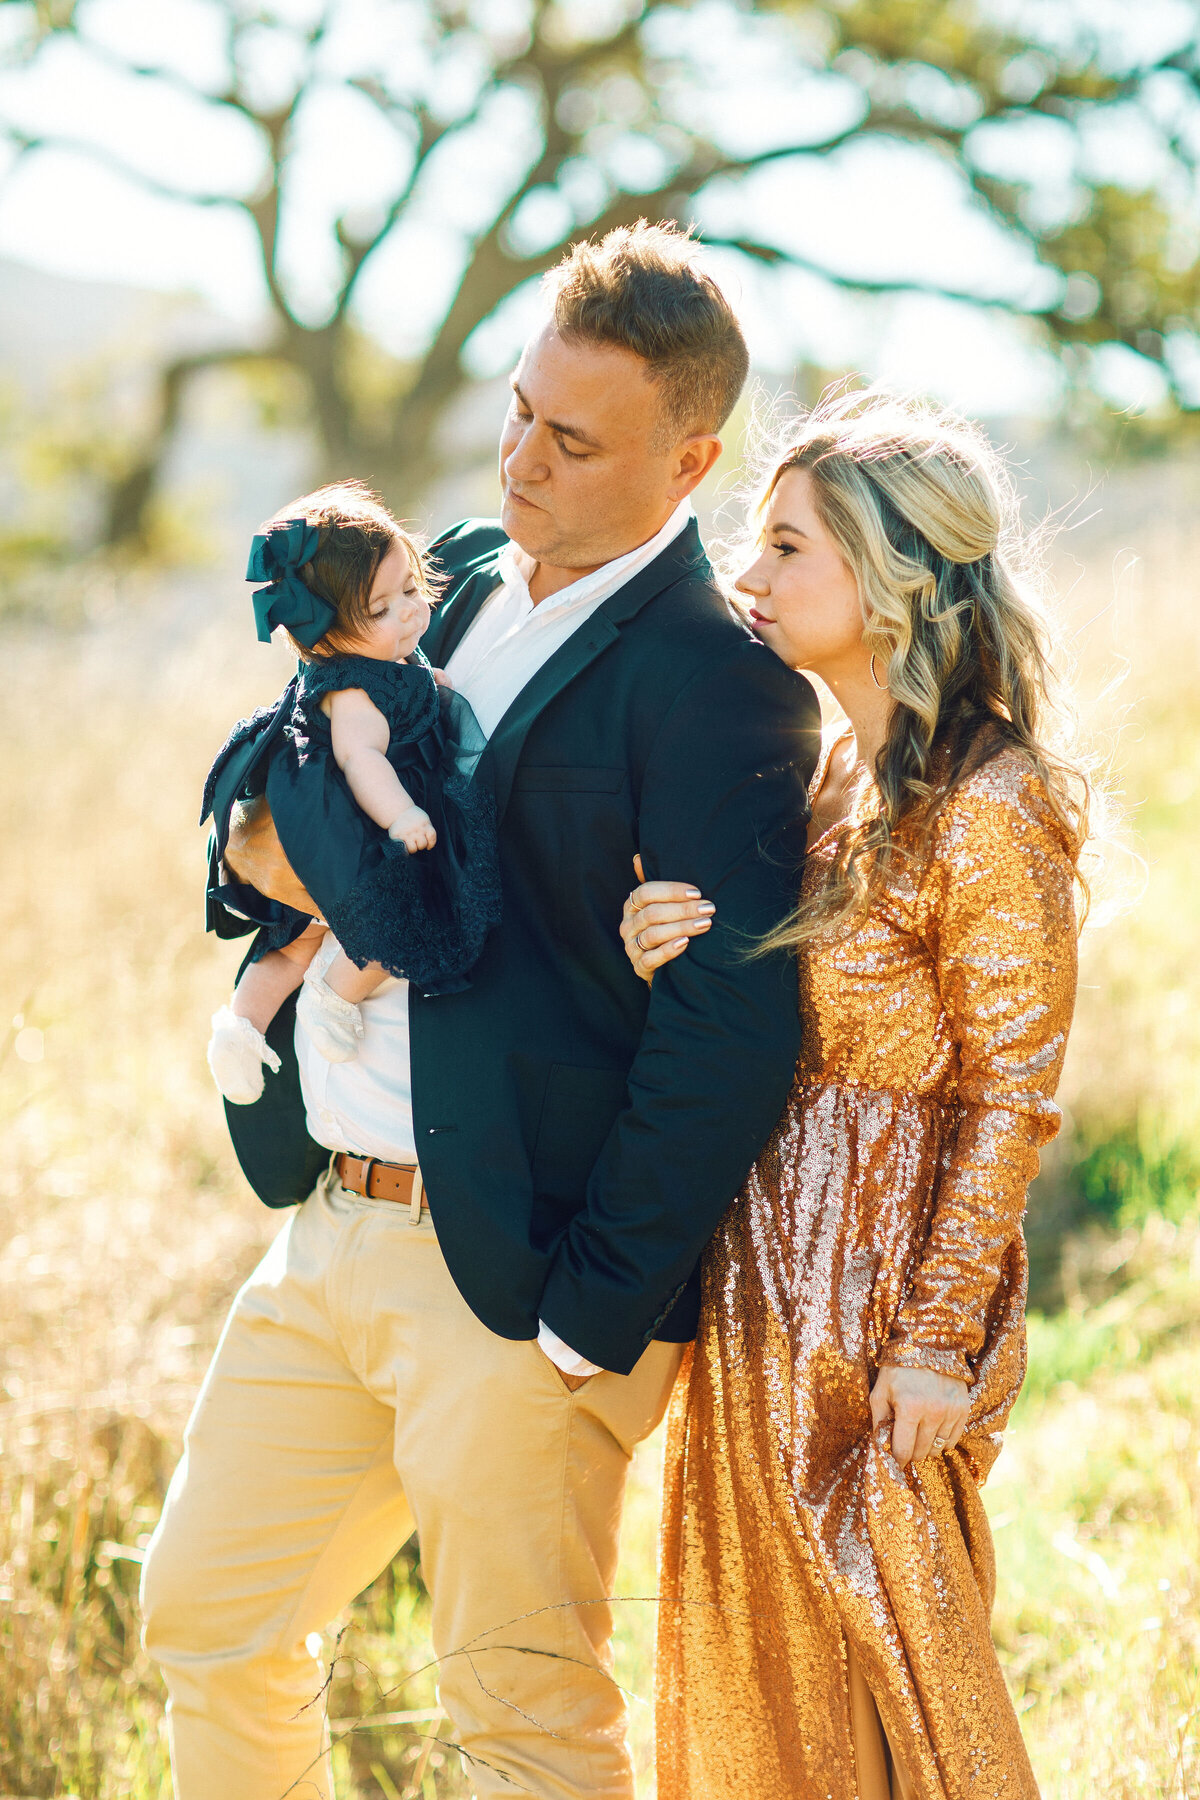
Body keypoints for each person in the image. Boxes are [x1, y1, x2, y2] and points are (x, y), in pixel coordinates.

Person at [138, 221, 821, 1800]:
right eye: (519, 409)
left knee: (518, 1725)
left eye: (571, 441)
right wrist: (254, 858)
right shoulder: (430, 584)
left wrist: (591, 1313)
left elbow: (731, 1034)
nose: (519, 458)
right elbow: (283, 774)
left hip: (518, 1285)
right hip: (328, 1228)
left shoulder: (723, 687)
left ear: (689, 456)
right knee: (207, 1619)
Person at [622, 389, 1087, 1799]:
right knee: (772, 1677)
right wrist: (667, 953)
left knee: (898, 1688)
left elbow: (1010, 1095)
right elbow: (785, 1024)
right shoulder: (833, 776)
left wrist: (939, 1340)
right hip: (764, 1277)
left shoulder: (991, 804)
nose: (747, 577)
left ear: (888, 577)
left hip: (886, 1297)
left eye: (786, 548)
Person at [203, 483, 501, 1105]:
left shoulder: (383, 661)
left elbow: (419, 685)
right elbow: (359, 758)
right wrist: (404, 815)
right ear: (328, 635)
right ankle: (332, 998)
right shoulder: (356, 694)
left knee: (297, 935)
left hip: (325, 823)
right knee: (400, 920)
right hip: (357, 825)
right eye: (384, 608)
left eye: (412, 590)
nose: (412, 613)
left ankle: (241, 1025)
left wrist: (432, 682)